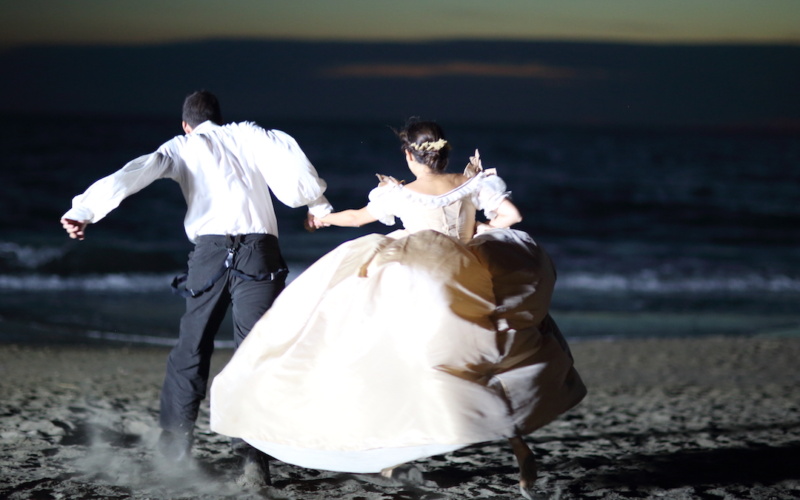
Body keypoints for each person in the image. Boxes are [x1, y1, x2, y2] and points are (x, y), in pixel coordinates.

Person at [210, 120, 586, 499]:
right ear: (444, 154)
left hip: (419, 290)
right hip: (470, 284)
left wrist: (322, 218)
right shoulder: (473, 183)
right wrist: (481, 231)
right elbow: (512, 217)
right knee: (492, 363)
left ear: (409, 155)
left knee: (397, 363)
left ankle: (393, 451)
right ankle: (519, 454)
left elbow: (357, 217)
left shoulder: (399, 194)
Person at [60, 90, 333, 481]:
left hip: (210, 252)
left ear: (186, 123)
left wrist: (84, 210)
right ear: (218, 118)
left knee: (191, 350)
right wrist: (317, 205)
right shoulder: (250, 136)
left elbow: (135, 172)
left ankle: (174, 450)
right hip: (259, 251)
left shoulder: (182, 146)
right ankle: (253, 459)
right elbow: (291, 163)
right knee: (254, 353)